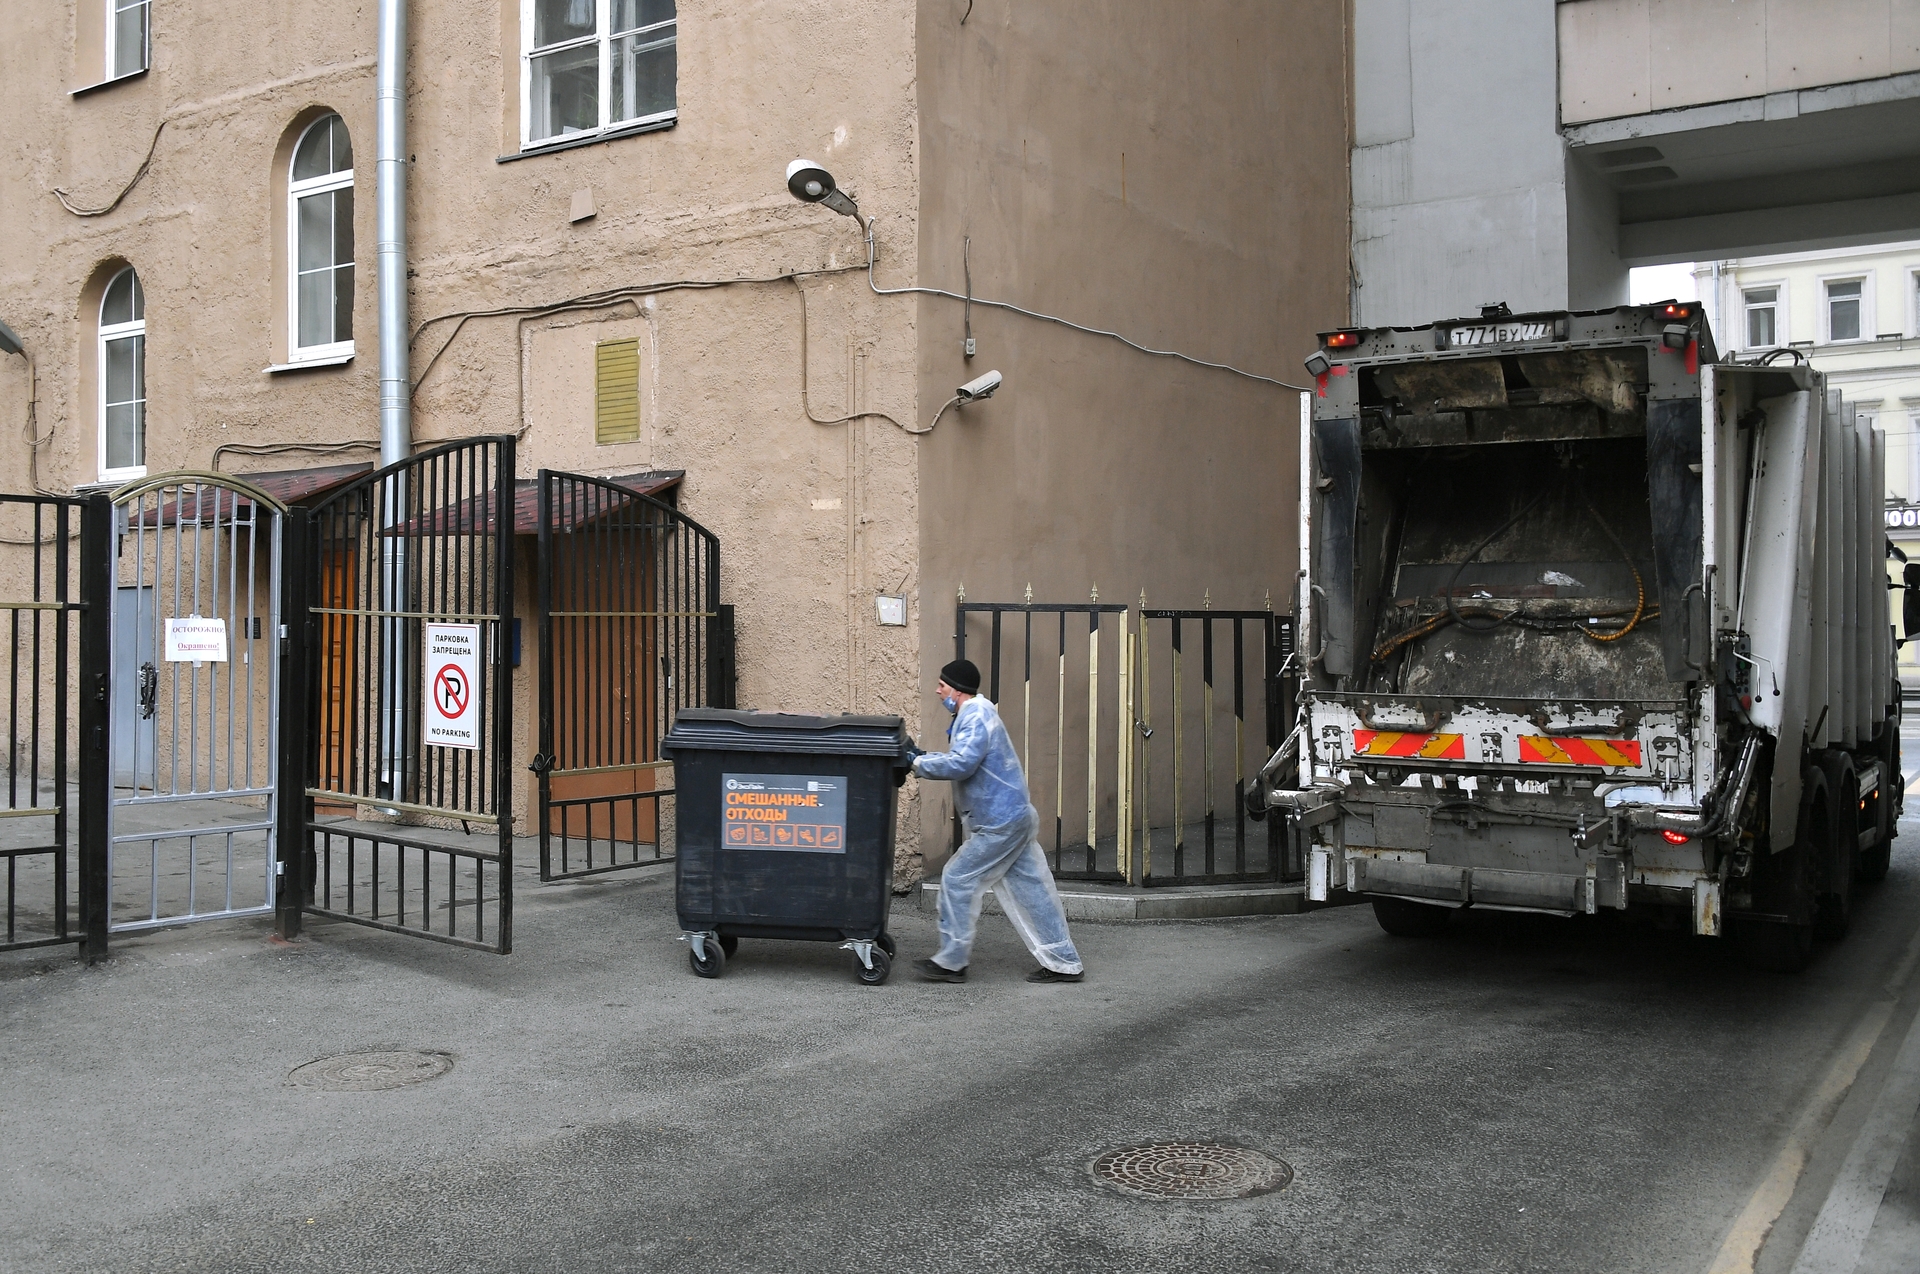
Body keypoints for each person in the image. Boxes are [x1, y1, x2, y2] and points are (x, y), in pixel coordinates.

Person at [908, 658, 1085, 984]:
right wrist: (922, 757)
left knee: (957, 878)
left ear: (958, 690)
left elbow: (962, 764)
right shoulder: (976, 712)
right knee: (1034, 890)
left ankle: (952, 962)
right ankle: (1064, 962)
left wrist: (917, 762)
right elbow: (962, 759)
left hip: (1000, 825)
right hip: (1013, 818)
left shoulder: (975, 715)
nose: (937, 690)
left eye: (942, 686)